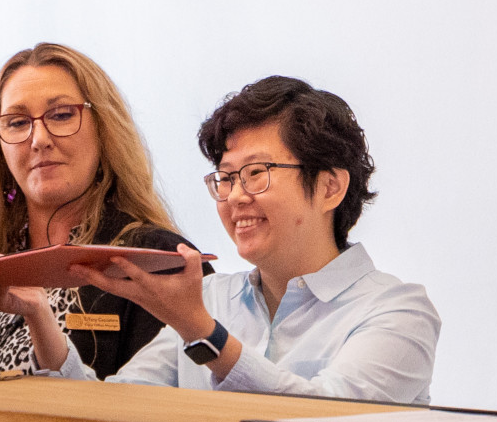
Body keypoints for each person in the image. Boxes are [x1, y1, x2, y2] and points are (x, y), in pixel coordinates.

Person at [95, 74, 440, 401]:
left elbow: (326, 417)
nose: (234, 197)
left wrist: (205, 335)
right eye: (226, 178)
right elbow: (120, 405)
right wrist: (43, 325)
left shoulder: (398, 310)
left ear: (330, 188)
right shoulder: (210, 299)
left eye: (256, 173)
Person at [0, 42, 198, 378]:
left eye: (61, 116)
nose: (39, 138)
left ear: (104, 129)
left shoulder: (155, 259)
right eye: (17, 122)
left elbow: (160, 414)